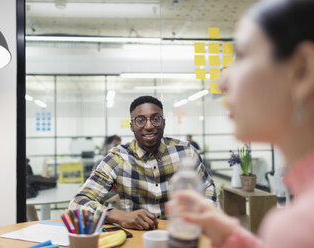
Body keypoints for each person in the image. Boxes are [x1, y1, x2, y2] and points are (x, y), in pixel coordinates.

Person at [168, 0, 314, 247]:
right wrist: (230, 236)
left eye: (242, 55)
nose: (221, 81)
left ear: (303, 70)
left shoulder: (305, 226)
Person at [69, 95, 216, 230]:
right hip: (136, 237)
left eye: (155, 118)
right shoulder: (118, 158)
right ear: (131, 126)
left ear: (163, 122)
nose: (149, 126)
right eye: (140, 120)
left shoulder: (185, 152)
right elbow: (77, 203)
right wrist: (118, 215)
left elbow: (208, 187)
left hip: (180, 233)